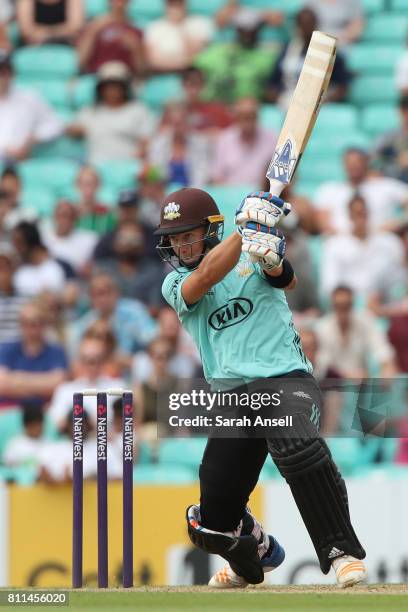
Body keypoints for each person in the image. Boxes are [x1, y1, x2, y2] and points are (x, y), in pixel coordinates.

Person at [155, 186, 367, 588]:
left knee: (295, 444)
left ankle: (341, 552)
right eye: (174, 238)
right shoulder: (176, 285)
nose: (181, 246)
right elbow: (206, 276)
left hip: (286, 380)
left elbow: (286, 279)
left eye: (188, 235)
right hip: (234, 398)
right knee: (212, 520)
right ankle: (257, 547)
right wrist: (245, 228)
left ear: (210, 230)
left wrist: (268, 256)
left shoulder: (252, 252)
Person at [66, 61, 156, 164]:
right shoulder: (90, 111)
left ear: (125, 87)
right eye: (108, 86)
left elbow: (147, 141)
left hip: (129, 167)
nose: (112, 90)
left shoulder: (138, 110)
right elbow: (73, 130)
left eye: (117, 85)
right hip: (96, 170)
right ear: (100, 89)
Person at [321, 195, 405, 301]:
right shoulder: (334, 245)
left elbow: (398, 280)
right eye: (356, 214)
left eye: (363, 213)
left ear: (368, 213)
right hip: (348, 307)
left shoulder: (389, 242)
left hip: (384, 304)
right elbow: (329, 284)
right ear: (350, 215)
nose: (360, 218)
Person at [265, 8, 352, 108]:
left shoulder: (329, 51)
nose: (306, 28)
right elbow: (272, 82)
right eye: (303, 24)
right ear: (297, 26)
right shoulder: (287, 50)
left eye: (309, 24)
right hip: (288, 100)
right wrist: (278, 98)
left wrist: (325, 101)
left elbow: (342, 86)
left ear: (316, 24)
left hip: (319, 103)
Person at [195, 7, 280, 104]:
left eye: (251, 30)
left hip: (250, 110)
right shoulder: (217, 51)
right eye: (242, 29)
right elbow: (193, 68)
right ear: (236, 29)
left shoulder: (268, 57)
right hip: (217, 106)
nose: (247, 34)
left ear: (258, 29)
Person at [67, 272, 157, 361]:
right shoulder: (84, 325)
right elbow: (76, 355)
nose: (103, 298)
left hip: (131, 367)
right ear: (91, 298)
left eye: (107, 292)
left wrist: (133, 361)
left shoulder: (134, 311)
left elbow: (152, 338)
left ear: (116, 293)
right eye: (98, 294)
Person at [314, 148, 408, 234]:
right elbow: (324, 224)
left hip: (381, 243)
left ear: (366, 162)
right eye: (350, 163)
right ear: (344, 164)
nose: (354, 166)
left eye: (357, 162)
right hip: (341, 246)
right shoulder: (329, 190)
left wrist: (397, 225)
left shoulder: (386, 186)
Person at [315, 286, 396, 380]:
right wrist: (347, 375)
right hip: (333, 385)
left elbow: (381, 348)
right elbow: (323, 364)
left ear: (352, 304)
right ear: (332, 306)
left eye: (346, 305)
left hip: (362, 385)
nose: (343, 310)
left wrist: (387, 366)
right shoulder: (322, 328)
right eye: (338, 306)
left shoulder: (366, 321)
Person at [47, 335, 124, 431]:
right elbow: (57, 422)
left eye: (97, 359)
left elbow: (122, 423)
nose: (93, 366)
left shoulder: (118, 387)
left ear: (104, 360)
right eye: (89, 361)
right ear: (80, 361)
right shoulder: (65, 390)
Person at [0, 301, 68, 409]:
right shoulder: (6, 348)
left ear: (44, 324)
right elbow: (2, 384)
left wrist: (16, 379)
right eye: (26, 323)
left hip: (43, 413)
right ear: (20, 325)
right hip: (10, 411)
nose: (31, 329)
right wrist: (42, 386)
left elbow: (58, 385)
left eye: (35, 323)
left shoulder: (56, 351)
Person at [0, 51, 63, 162]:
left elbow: (55, 124)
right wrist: (5, 150)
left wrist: (34, 138)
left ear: (12, 73)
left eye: (5, 72)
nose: (2, 77)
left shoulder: (29, 98)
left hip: (22, 163)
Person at [95, 219, 165, 311]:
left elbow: (155, 307)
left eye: (134, 239)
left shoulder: (155, 271)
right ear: (115, 242)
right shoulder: (103, 270)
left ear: (143, 242)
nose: (129, 244)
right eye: (124, 238)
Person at [211, 97, 276, 185]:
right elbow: (217, 178)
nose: (247, 120)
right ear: (236, 117)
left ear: (257, 116)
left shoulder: (271, 139)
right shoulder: (225, 139)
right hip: (231, 194)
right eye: (243, 116)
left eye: (251, 116)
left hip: (262, 195)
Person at [149, 101, 212, 187]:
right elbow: (157, 174)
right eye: (175, 124)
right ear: (169, 123)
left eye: (182, 122)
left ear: (188, 121)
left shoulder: (201, 142)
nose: (179, 128)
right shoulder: (158, 143)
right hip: (166, 194)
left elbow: (202, 176)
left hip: (194, 192)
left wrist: (191, 195)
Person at [144, 0, 214, 73]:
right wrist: (179, 64)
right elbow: (150, 60)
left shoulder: (201, 24)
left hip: (190, 76)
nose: (175, 8)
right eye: (172, 4)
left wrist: (180, 25)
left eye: (178, 4)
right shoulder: (154, 27)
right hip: (160, 75)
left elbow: (195, 57)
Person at [77, 0, 143, 75]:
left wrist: (136, 48)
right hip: (97, 76)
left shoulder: (135, 30)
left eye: (123, 1)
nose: (119, 4)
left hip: (125, 77)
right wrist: (93, 32)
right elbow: (81, 62)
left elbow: (142, 70)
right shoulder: (93, 27)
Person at [41, 200, 98, 275]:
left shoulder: (90, 239)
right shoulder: (44, 240)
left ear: (76, 218)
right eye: (62, 216)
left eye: (71, 216)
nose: (66, 220)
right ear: (54, 217)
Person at [11, 221, 66, 296]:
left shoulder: (61, 266)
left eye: (19, 243)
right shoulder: (15, 269)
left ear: (31, 242)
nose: (15, 247)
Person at [180, 67, 233, 134]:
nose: (194, 91)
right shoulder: (174, 113)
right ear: (183, 85)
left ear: (203, 85)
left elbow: (232, 132)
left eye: (197, 84)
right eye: (191, 84)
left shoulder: (217, 109)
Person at [371, 95, 408, 183]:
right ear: (401, 111)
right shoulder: (388, 137)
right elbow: (372, 157)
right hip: (392, 184)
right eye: (405, 110)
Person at [17, 0, 84, 46]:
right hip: (33, 45)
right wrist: (61, 31)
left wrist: (44, 33)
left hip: (67, 44)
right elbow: (26, 31)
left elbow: (75, 27)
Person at [74, 165, 115, 235]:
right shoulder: (71, 213)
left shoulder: (107, 212)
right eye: (85, 184)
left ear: (98, 185)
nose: (88, 188)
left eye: (92, 184)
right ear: (77, 185)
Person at [0, 246, 28, 343]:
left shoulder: (26, 298)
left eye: (5, 267)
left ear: (13, 270)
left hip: (20, 353)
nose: (2, 273)